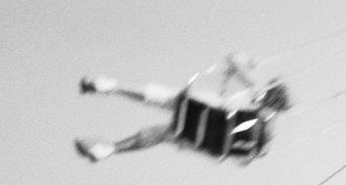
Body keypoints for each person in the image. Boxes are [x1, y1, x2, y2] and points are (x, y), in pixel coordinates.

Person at [75, 53, 291, 164]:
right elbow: (249, 158)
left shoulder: (255, 93)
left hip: (203, 110)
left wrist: (247, 62)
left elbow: (233, 59)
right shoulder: (266, 127)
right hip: (201, 139)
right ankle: (110, 149)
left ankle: (112, 87)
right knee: (161, 134)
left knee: (162, 97)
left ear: (270, 92)